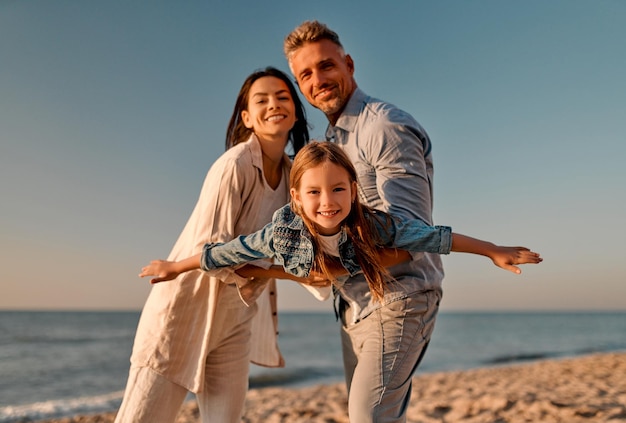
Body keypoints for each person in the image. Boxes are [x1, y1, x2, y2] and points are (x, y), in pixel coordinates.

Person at [281, 20, 537, 422]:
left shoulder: (383, 127)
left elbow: (412, 235)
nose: (318, 80)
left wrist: (329, 269)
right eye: (306, 75)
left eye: (327, 66)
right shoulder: (330, 144)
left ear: (349, 64)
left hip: (401, 297)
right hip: (354, 303)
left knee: (369, 417)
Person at [115, 67, 313, 423]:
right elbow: (216, 255)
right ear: (247, 117)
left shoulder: (292, 178)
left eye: (283, 97)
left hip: (235, 321)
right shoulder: (234, 165)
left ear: (295, 112)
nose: (274, 105)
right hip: (183, 312)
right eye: (262, 99)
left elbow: (300, 247)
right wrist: (291, 277)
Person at [139, 141, 542, 308]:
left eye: (337, 190)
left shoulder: (375, 225)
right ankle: (269, 276)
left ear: (353, 189)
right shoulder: (282, 232)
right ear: (296, 198)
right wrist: (173, 268)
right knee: (247, 266)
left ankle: (294, 274)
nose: (327, 203)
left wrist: (493, 250)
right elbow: (226, 250)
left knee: (393, 251)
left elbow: (436, 238)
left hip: (350, 262)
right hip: (298, 263)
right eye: (314, 192)